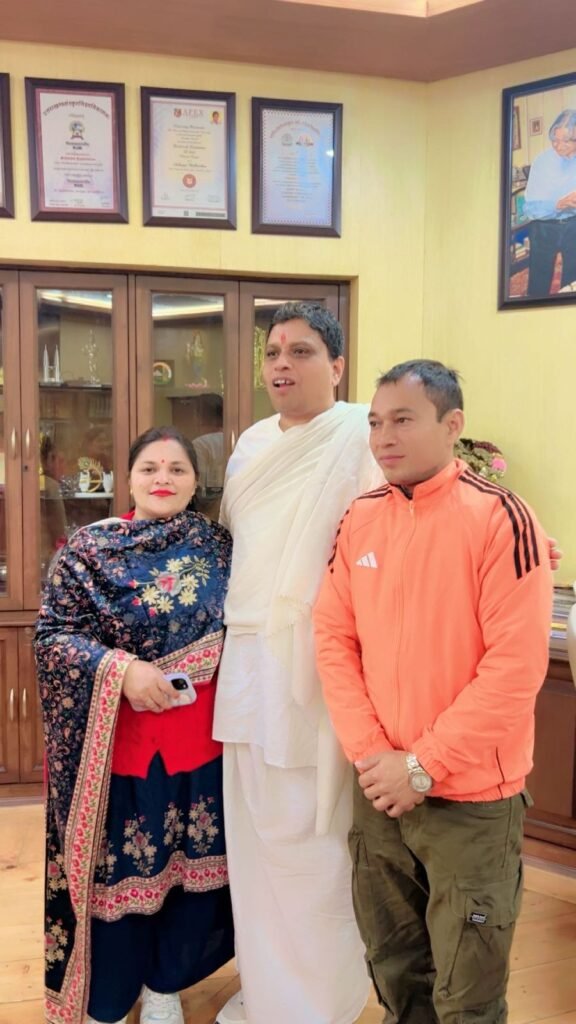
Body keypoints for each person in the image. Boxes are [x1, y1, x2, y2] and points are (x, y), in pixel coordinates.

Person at [313, 359, 553, 1024]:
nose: (384, 437)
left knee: (468, 992)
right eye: (375, 422)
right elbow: (333, 639)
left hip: (471, 801)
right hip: (380, 794)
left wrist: (421, 766)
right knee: (396, 973)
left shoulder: (502, 518)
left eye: (403, 420)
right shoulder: (360, 518)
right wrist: (374, 756)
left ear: (453, 425)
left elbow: (515, 671)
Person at [35, 425, 234, 1024]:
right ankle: (111, 997)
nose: (162, 479)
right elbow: (53, 636)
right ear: (128, 478)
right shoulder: (89, 551)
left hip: (204, 747)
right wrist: (121, 671)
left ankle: (165, 985)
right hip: (122, 749)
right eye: (150, 468)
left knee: (195, 876)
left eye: (177, 469)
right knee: (122, 878)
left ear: (196, 482)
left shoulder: (220, 547)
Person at [213, 303, 376, 1024]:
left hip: (322, 658)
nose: (281, 364)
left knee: (316, 833)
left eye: (301, 351)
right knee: (252, 828)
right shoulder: (250, 444)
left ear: (336, 365)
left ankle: (320, 1001)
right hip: (246, 657)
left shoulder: (363, 434)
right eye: (273, 352)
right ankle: (270, 989)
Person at [523, 109, 576, 297]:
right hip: (544, 226)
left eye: (566, 141)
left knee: (572, 284)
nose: (558, 146)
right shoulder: (542, 162)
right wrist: (558, 204)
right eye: (554, 139)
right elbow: (529, 209)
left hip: (574, 225)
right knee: (538, 286)